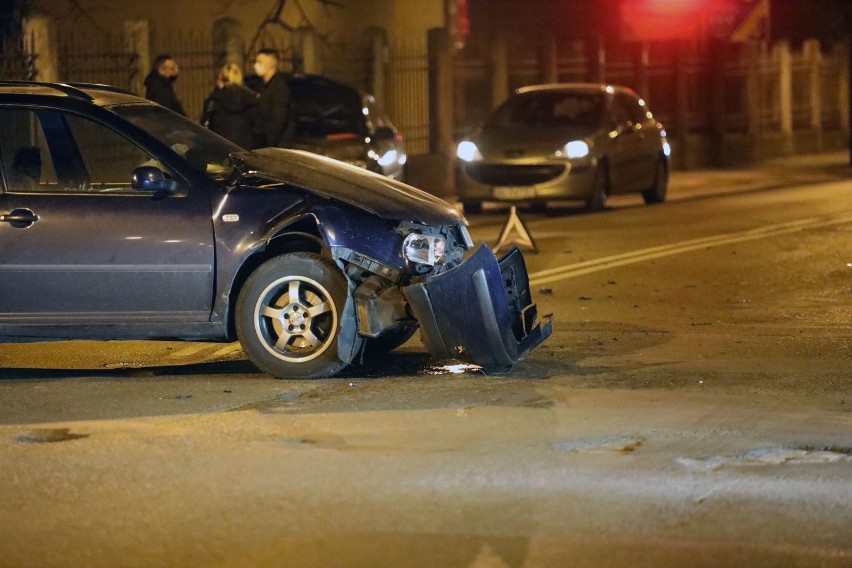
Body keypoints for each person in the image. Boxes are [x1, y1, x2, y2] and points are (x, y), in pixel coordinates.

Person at [200, 63, 263, 149]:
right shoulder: (251, 98)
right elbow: (258, 128)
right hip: (246, 148)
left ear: (221, 79)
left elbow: (205, 124)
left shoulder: (214, 99)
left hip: (220, 147)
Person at [252, 48, 294, 147]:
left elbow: (279, 120)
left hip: (276, 145)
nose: (256, 65)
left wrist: (269, 144)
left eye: (260, 62)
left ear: (271, 64)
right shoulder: (263, 86)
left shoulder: (278, 87)